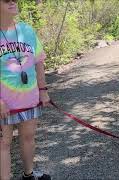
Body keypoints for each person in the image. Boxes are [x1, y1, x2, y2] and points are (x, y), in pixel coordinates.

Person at [0, 0, 51, 179]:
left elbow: (39, 62)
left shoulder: (27, 31)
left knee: (28, 137)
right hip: (4, 105)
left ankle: (28, 175)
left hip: (29, 99)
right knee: (4, 144)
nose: (12, 2)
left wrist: (43, 90)